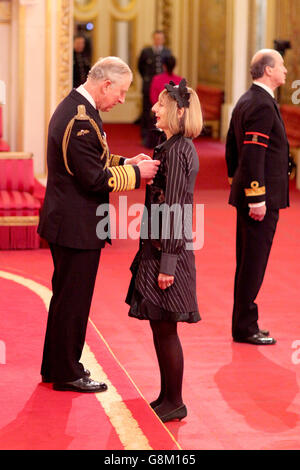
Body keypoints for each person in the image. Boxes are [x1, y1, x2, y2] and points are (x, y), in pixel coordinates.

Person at [38, 57, 160, 393]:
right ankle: (67, 372)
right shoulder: (79, 118)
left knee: (66, 299)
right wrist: (137, 174)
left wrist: (126, 161)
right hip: (75, 226)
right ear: (106, 84)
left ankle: (56, 366)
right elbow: (93, 178)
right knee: (73, 301)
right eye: (120, 92)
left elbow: (93, 157)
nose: (121, 100)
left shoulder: (82, 109)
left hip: (70, 222)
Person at [126, 79, 203, 422]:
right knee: (160, 326)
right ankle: (167, 395)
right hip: (161, 249)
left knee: (166, 327)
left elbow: (174, 210)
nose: (154, 108)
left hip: (168, 253)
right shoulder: (170, 146)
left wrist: (167, 264)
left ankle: (175, 400)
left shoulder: (176, 150)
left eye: (160, 104)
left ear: (178, 111)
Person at [225, 49, 290, 345]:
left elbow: (230, 147)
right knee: (253, 262)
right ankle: (245, 327)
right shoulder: (262, 104)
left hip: (250, 193)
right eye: (281, 66)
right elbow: (252, 152)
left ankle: (245, 322)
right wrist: (256, 197)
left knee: (248, 261)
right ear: (267, 70)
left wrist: (234, 181)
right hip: (259, 199)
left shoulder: (248, 99)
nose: (286, 71)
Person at [138, 30, 172, 147]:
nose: (158, 40)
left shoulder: (167, 52)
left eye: (160, 38)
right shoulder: (146, 52)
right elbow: (140, 67)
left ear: (163, 40)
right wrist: (148, 79)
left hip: (162, 88)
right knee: (147, 112)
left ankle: (161, 136)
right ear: (153, 39)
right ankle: (145, 136)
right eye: (156, 38)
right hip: (148, 86)